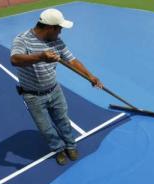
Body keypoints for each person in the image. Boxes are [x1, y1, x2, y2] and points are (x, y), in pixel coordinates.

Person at [10, 8, 103, 165]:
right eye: (59, 29)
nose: (60, 32)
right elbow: (15, 60)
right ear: (50, 28)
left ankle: (70, 145)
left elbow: (72, 60)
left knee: (63, 121)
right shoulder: (22, 40)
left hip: (54, 90)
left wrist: (90, 76)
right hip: (32, 96)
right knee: (46, 129)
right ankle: (58, 149)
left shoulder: (56, 42)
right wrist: (40, 56)